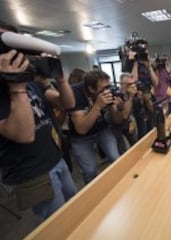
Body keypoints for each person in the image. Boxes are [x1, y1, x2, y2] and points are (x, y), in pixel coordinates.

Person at [0, 21, 77, 220]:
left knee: (75, 209)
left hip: (55, 159)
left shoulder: (31, 84)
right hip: (33, 173)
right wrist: (16, 85)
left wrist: (60, 79)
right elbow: (24, 134)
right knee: (58, 222)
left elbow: (66, 103)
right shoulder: (17, 85)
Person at [68, 70, 123, 184]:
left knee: (115, 157)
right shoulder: (74, 93)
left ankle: (122, 182)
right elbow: (81, 129)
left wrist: (117, 106)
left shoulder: (107, 92)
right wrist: (97, 105)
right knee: (90, 170)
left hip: (101, 129)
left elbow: (117, 120)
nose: (107, 90)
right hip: (80, 137)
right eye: (104, 88)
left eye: (109, 86)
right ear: (92, 89)